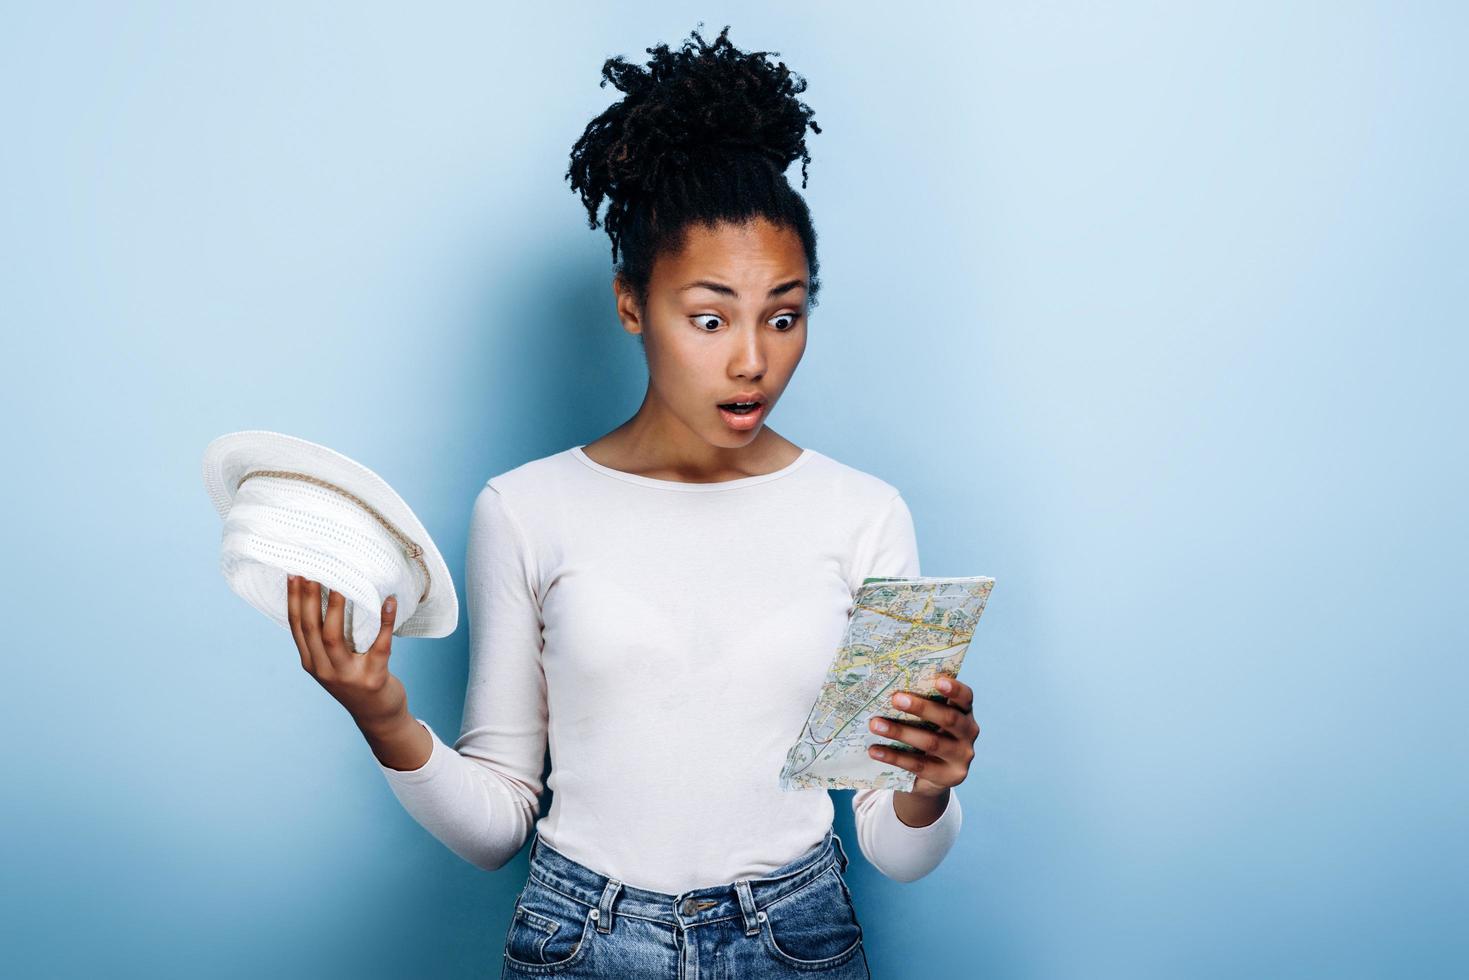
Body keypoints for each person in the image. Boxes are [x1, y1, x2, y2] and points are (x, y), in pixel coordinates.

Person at [285, 24, 981, 978]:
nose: (751, 358)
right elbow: (496, 826)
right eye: (708, 317)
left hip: (798, 939)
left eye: (784, 314)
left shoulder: (865, 516)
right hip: (580, 939)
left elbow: (894, 850)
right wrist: (382, 717)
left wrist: (926, 791)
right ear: (629, 303)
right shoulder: (526, 509)